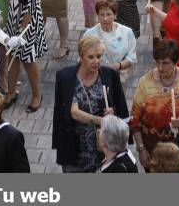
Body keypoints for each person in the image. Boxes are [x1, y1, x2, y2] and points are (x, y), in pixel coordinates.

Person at [52, 36, 129, 172]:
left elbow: (121, 107)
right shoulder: (65, 77)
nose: (96, 61)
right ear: (81, 57)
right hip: (74, 145)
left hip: (102, 147)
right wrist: (100, 120)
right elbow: (73, 112)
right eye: (91, 57)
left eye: (99, 56)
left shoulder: (110, 75)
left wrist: (113, 112)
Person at [130, 38, 179, 171]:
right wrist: (141, 149)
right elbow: (134, 119)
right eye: (158, 62)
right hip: (153, 152)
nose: (160, 67)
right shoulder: (145, 83)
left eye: (166, 63)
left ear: (176, 62)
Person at [4, 0, 48, 112]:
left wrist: (25, 24)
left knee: (28, 59)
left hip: (27, 19)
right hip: (14, 16)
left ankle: (37, 95)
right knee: (12, 56)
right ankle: (11, 92)